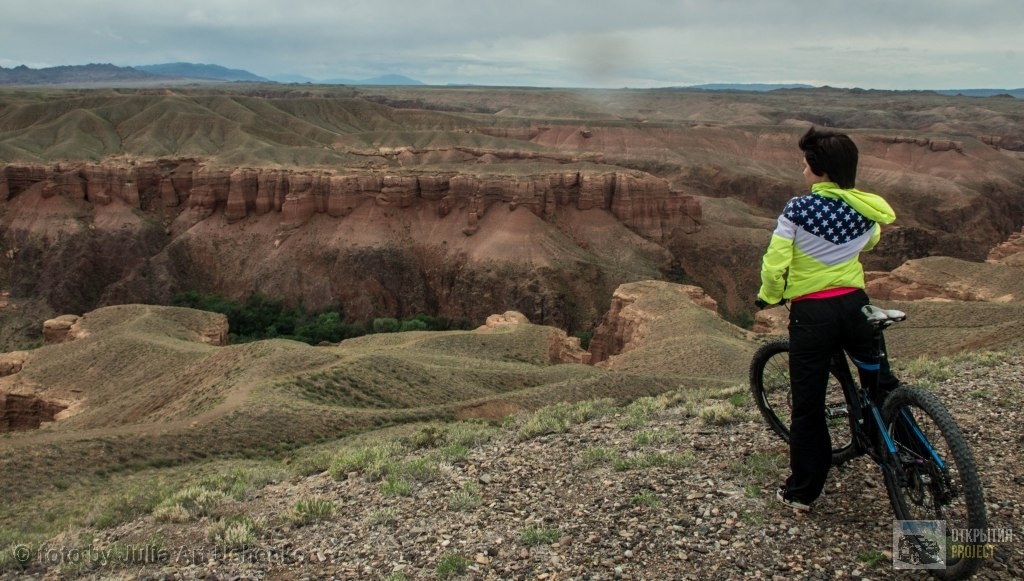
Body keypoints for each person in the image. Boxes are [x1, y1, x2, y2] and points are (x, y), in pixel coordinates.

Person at [756, 126, 900, 512]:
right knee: (881, 383)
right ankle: (904, 449)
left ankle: (803, 492)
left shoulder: (798, 209)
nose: (802, 169)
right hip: (858, 307)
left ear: (818, 169)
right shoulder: (867, 209)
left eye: (805, 163)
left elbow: (775, 261)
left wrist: (769, 295)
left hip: (813, 315)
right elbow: (869, 243)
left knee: (808, 405)